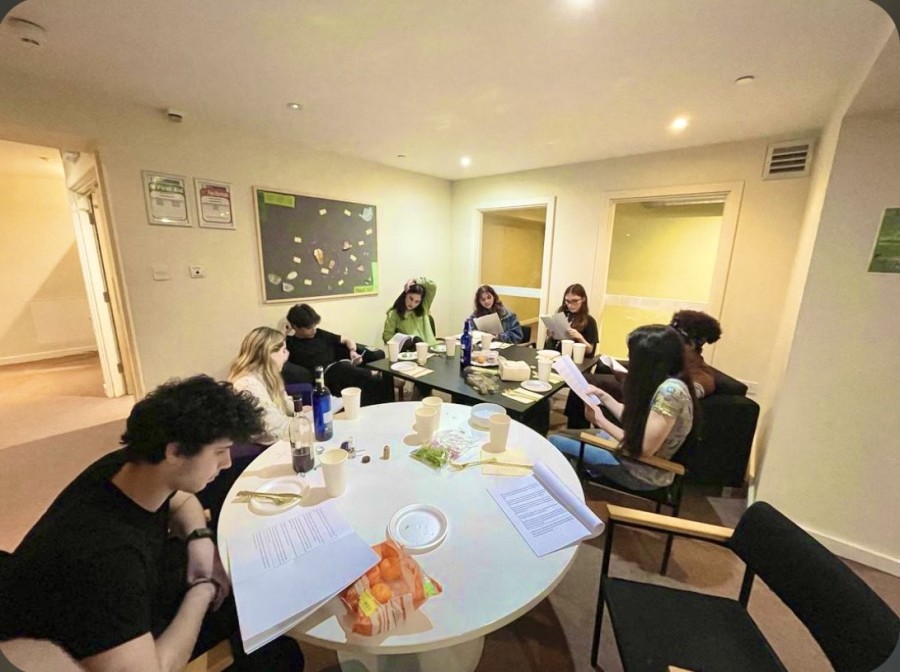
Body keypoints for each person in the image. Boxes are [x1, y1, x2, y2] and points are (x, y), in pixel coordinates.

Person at [0, 376, 304, 671]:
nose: (226, 463)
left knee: (248, 578)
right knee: (279, 654)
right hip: (64, 643)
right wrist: (204, 588)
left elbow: (180, 500)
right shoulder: (108, 559)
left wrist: (199, 539)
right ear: (174, 451)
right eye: (219, 452)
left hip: (133, 591)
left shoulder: (128, 467)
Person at [550, 325, 697, 490]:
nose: (629, 358)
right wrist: (604, 397)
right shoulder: (668, 380)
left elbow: (644, 449)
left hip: (642, 470)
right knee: (565, 434)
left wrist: (600, 420)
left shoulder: (671, 392)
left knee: (554, 441)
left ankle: (570, 496)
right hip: (632, 456)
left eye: (632, 354)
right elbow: (637, 421)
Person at [564, 310, 723, 429]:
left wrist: (631, 379)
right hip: (636, 393)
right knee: (587, 379)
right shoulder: (672, 358)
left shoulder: (701, 377)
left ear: (691, 344)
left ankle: (579, 431)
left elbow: (666, 396)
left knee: (589, 381)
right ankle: (577, 427)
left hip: (641, 403)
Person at [285, 303, 390, 406]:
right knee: (341, 367)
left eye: (314, 326)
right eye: (309, 328)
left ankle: (383, 402)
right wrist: (284, 331)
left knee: (373, 380)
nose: (313, 330)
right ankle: (375, 373)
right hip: (322, 377)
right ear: (295, 326)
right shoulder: (290, 343)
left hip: (340, 372)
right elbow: (271, 349)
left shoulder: (320, 334)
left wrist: (353, 351)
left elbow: (347, 340)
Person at [228, 326, 294, 444]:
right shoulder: (248, 385)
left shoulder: (268, 375)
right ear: (268, 353)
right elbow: (274, 430)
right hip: (266, 448)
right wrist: (305, 423)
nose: (286, 356)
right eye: (283, 350)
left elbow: (285, 403)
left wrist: (301, 411)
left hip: (283, 437)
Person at [669, 309, 722, 398]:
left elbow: (676, 397)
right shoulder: (669, 362)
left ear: (690, 345)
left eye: (671, 339)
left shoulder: (702, 378)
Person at [544, 283, 598, 356]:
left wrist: (580, 338)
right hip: (555, 355)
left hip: (575, 359)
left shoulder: (590, 321)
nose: (570, 305)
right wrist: (550, 336)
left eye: (575, 301)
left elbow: (590, 350)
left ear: (583, 299)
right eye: (567, 301)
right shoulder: (562, 315)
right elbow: (549, 344)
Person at [382, 277, 438, 347]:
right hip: (412, 352)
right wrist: (404, 341)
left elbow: (433, 286)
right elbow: (387, 336)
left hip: (431, 348)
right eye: (411, 299)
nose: (412, 304)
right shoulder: (394, 314)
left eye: (417, 302)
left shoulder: (424, 306)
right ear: (405, 295)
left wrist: (415, 281)